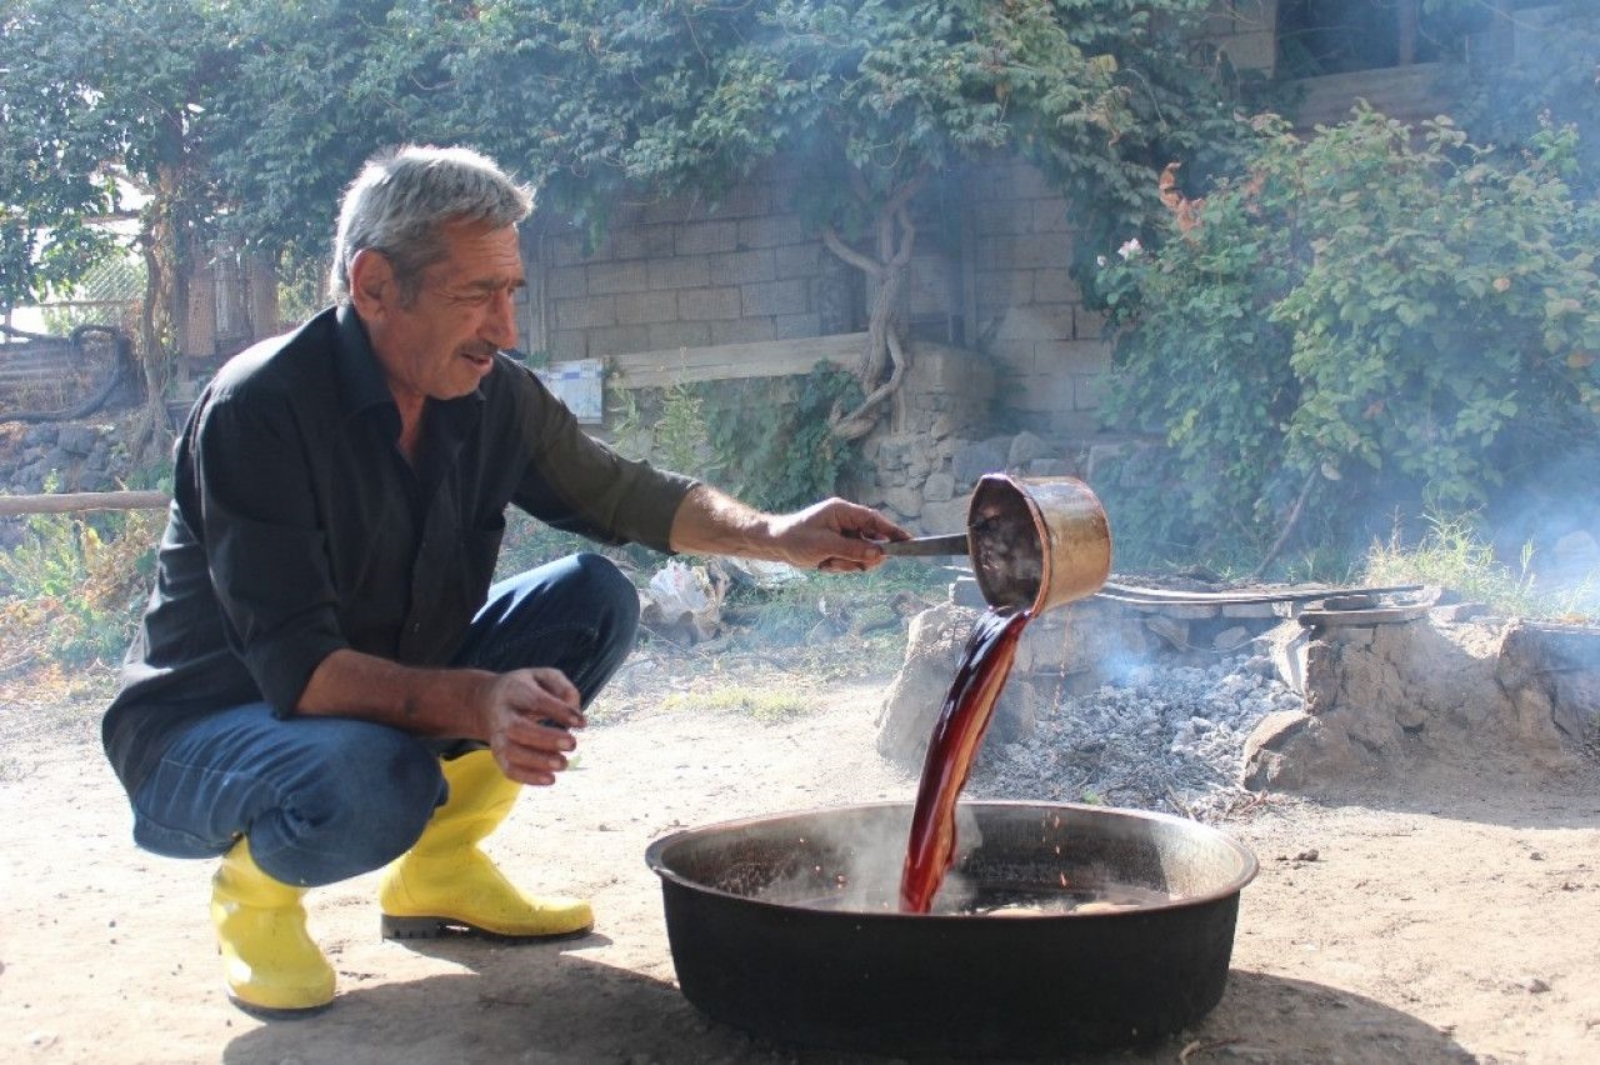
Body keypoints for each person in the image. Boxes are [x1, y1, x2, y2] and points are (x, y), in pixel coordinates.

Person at [101, 144, 908, 1015]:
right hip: (212, 728)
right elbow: (305, 673)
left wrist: (776, 534)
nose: (506, 326)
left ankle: (439, 868)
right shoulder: (260, 408)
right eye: (475, 294)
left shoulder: (493, 394)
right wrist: (482, 701)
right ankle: (253, 893)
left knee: (594, 598)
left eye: (511, 291)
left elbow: (626, 493)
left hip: (363, 708)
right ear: (374, 285)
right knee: (378, 777)